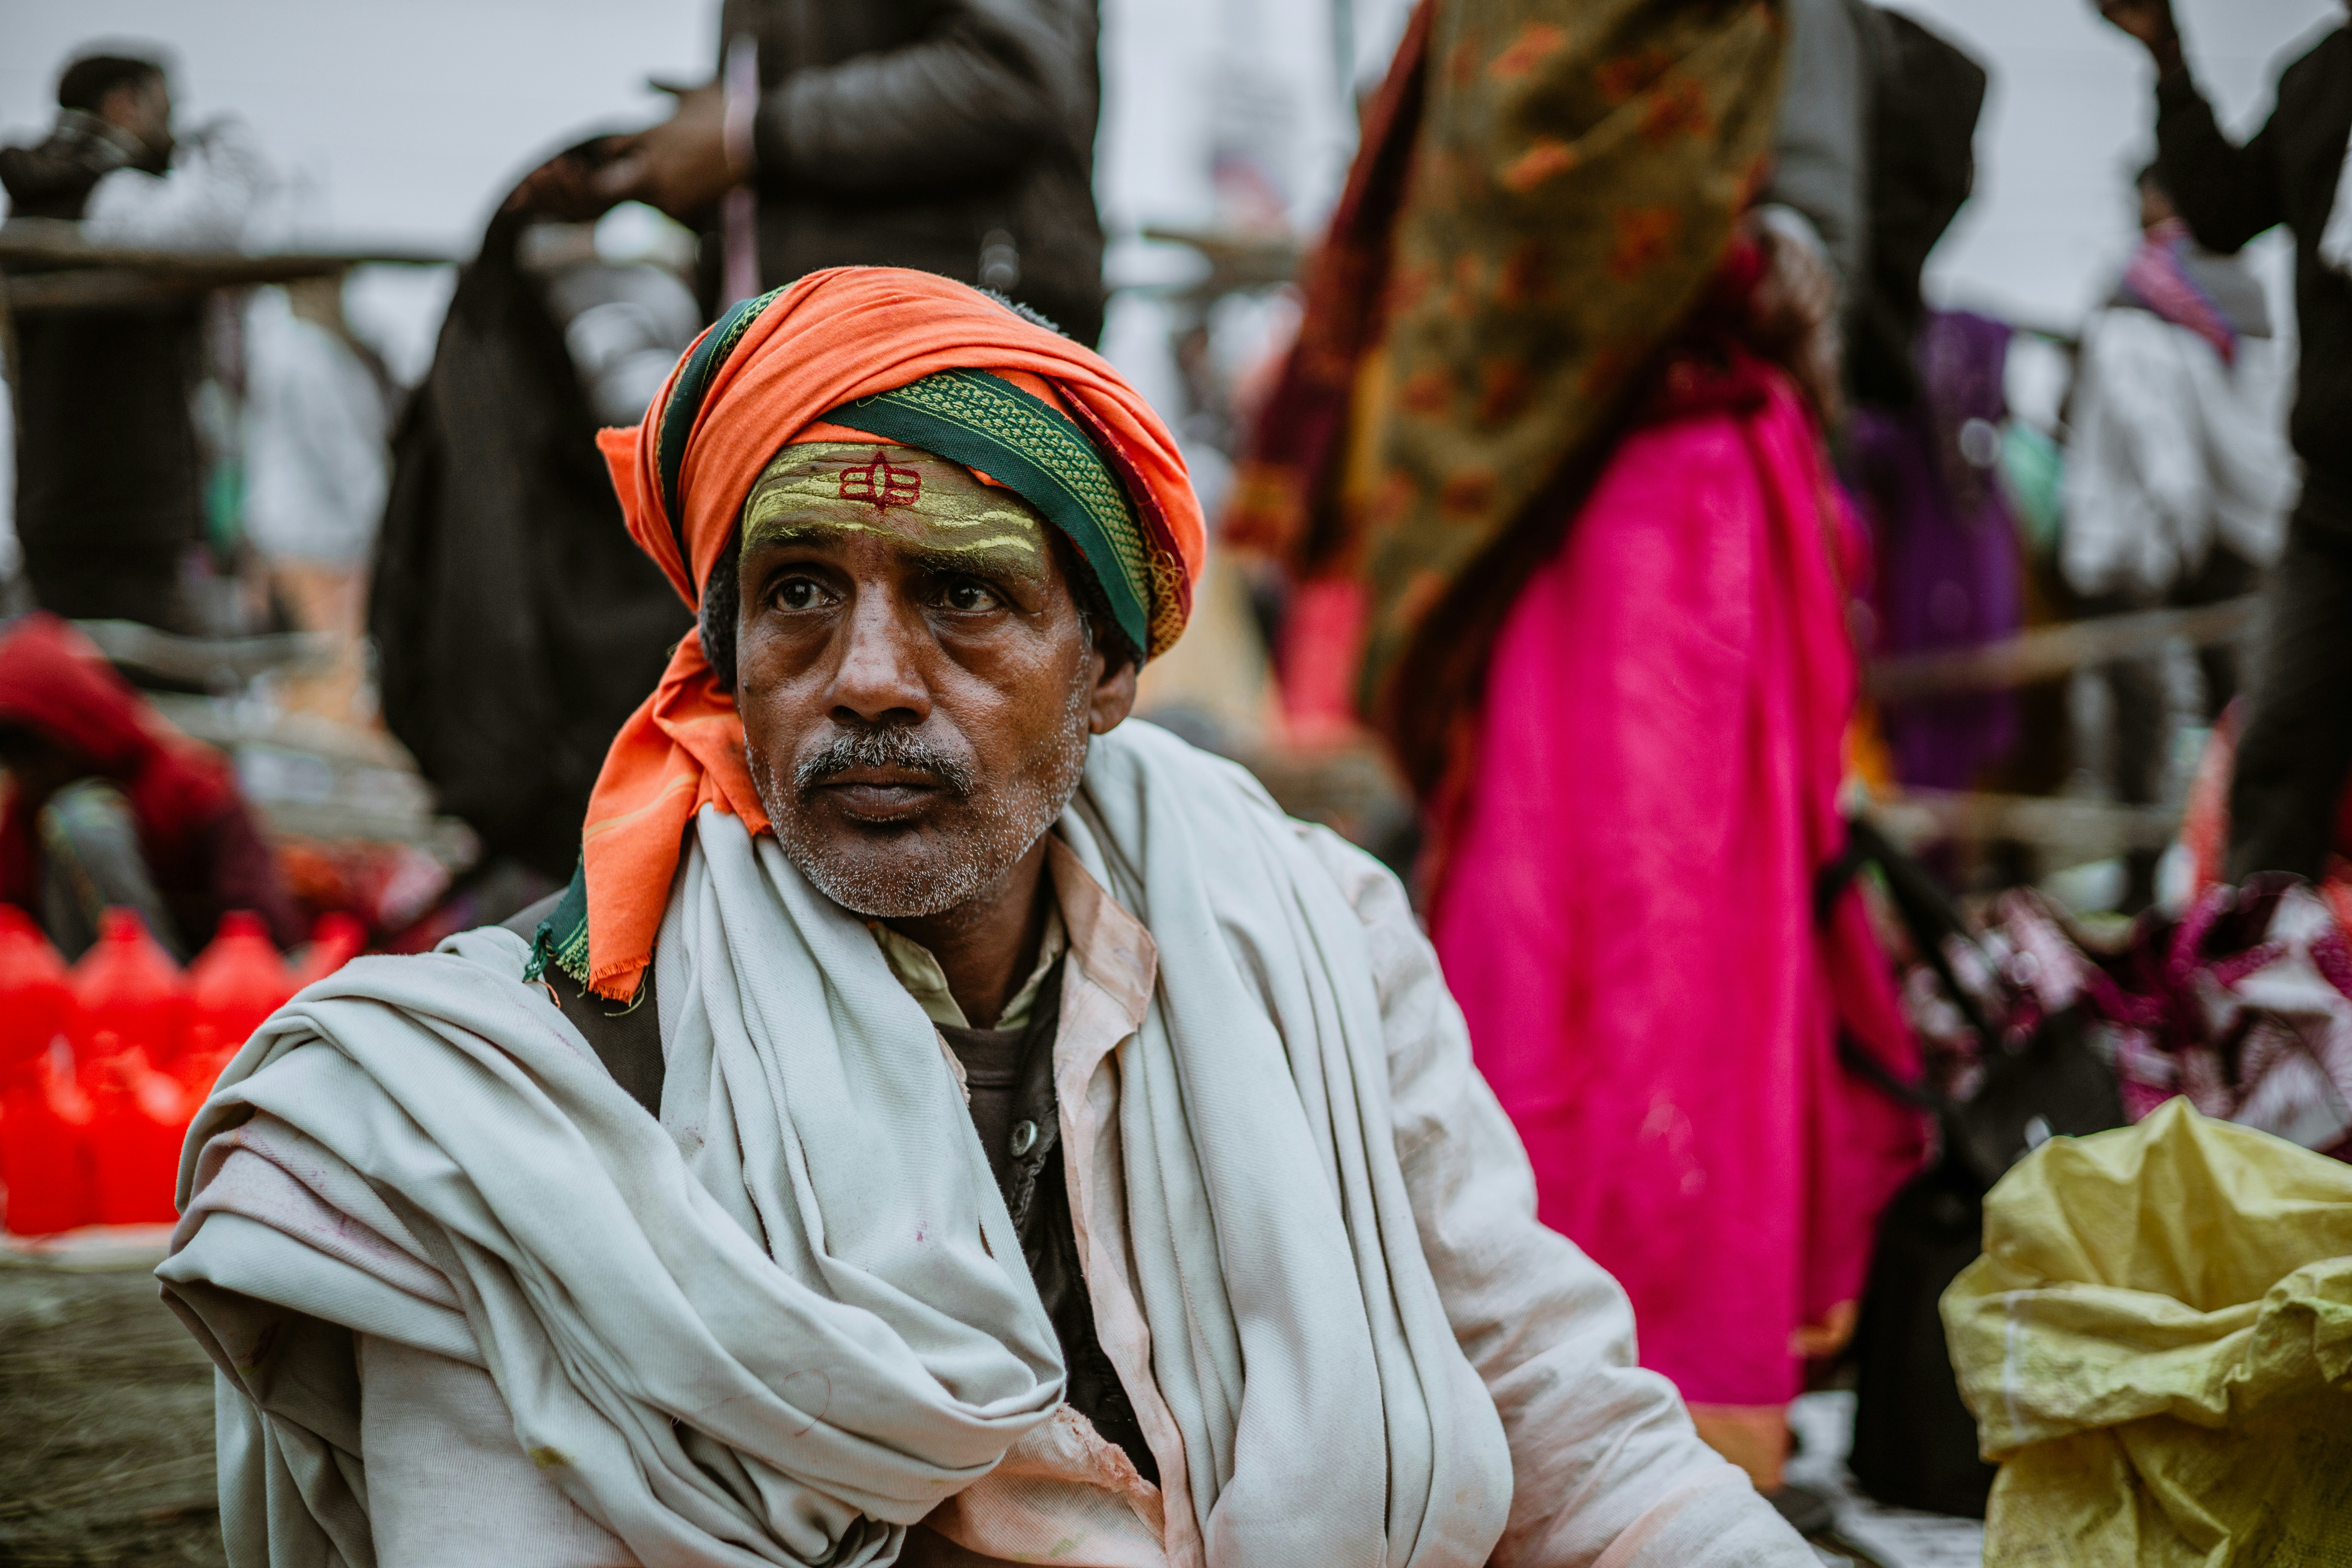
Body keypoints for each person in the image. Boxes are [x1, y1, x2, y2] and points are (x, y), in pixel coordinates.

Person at [159, 269, 1814, 1568]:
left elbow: (1567, 1429)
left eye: (962, 594)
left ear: (1108, 671)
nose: (867, 677)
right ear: (727, 660)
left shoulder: (1308, 932)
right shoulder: (505, 1108)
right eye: (799, 592)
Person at [1229, 0, 1925, 1504]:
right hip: (1519, 527)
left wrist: (1669, 260)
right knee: (1522, 933)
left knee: (1684, 951)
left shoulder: (1755, 25)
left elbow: (1810, 252)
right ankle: (1486, 1358)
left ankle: (1662, 1400)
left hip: (1681, 514)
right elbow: (1443, 230)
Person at [2094, 0, 2352, 884]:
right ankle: (2253, 976)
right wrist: (2166, 60)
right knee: (2278, 748)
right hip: (2332, 505)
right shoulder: (2322, 77)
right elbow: (2225, 208)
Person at [516, 0, 1107, 345]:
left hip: (938, 351)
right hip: (797, 352)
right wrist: (669, 172)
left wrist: (747, 136)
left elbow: (1011, 78)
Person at [2063, 162, 2294, 902]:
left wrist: (2181, 519)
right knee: (2211, 701)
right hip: (2217, 535)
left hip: (2162, 540)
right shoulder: (2240, 295)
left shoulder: (2138, 298)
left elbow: (2156, 435)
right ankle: (2220, 874)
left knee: (2165, 709)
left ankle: (2206, 876)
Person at [0, 49, 271, 631]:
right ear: (123, 106)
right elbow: (210, 231)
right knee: (142, 684)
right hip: (122, 507)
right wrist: (233, 148)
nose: (171, 129)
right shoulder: (109, 196)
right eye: (165, 109)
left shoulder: (37, 200)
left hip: (55, 499)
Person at [0, 614, 300, 961]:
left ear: (75, 726)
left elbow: (262, 929)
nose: (31, 773)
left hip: (196, 990)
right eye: (14, 759)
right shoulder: (26, 814)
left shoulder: (191, 793)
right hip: (81, 992)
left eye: (39, 750)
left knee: (83, 819)